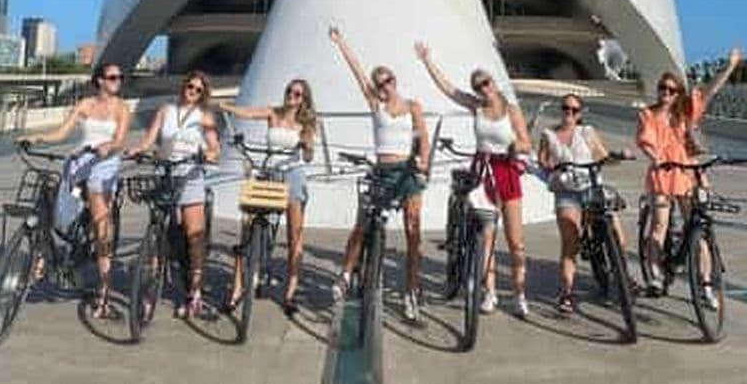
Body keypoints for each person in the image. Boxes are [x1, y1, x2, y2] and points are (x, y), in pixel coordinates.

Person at [415, 42, 531, 318]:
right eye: (478, 86)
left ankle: (519, 294)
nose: (483, 89)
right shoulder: (476, 106)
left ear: (493, 83)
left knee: (516, 242)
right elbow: (449, 89)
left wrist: (517, 147)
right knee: (486, 237)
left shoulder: (511, 110)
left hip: (507, 170)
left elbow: (527, 141)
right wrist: (427, 61)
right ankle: (489, 292)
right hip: (483, 171)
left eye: (486, 83)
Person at [330, 27, 429, 324]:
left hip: (407, 171)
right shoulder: (376, 105)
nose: (383, 86)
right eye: (379, 83)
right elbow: (358, 72)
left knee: (414, 234)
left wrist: (423, 160)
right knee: (361, 225)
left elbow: (422, 136)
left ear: (395, 80)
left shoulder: (413, 106)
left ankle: (411, 293)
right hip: (382, 170)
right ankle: (346, 274)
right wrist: (341, 43)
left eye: (387, 80)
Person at [24, 62, 130, 317]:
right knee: (54, 203)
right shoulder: (85, 105)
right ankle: (47, 255)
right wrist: (37, 138)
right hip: (81, 160)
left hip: (105, 163)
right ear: (100, 81)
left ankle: (103, 292)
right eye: (113, 77)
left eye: (120, 77)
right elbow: (62, 133)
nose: (118, 81)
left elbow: (120, 140)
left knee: (100, 225)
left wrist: (108, 147)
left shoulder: (121, 107)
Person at [637, 48, 741, 298]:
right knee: (660, 224)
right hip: (663, 174)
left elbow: (709, 90)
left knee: (696, 227)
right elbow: (646, 142)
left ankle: (705, 283)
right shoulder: (647, 114)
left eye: (672, 90)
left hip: (686, 174)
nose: (666, 93)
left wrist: (729, 66)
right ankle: (655, 274)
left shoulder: (684, 113)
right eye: (663, 88)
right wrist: (657, 159)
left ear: (677, 93)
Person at [219, 79, 317, 315]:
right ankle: (237, 289)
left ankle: (290, 293)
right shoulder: (274, 113)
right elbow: (251, 113)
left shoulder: (306, 123)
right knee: (247, 230)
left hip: (292, 176)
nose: (292, 96)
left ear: (304, 99)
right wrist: (229, 108)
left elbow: (310, 155)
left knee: (295, 236)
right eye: (289, 91)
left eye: (297, 94)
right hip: (268, 173)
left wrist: (306, 145)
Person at [130, 70, 220, 317]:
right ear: (183, 86)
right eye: (189, 86)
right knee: (159, 232)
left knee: (194, 236)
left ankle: (195, 292)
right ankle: (151, 287)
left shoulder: (204, 116)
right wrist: (135, 150)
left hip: (190, 176)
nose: (192, 91)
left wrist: (206, 156)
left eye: (198, 89)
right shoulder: (165, 110)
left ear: (203, 94)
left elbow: (215, 148)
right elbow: (149, 140)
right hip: (165, 173)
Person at [538, 93, 633, 314]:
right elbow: (542, 161)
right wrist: (550, 165)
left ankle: (625, 277)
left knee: (618, 235)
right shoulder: (548, 134)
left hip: (592, 189)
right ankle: (567, 292)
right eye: (566, 108)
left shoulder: (587, 132)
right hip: (566, 192)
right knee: (570, 241)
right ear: (561, 110)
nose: (569, 113)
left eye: (574, 110)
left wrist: (619, 156)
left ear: (580, 113)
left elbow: (602, 155)